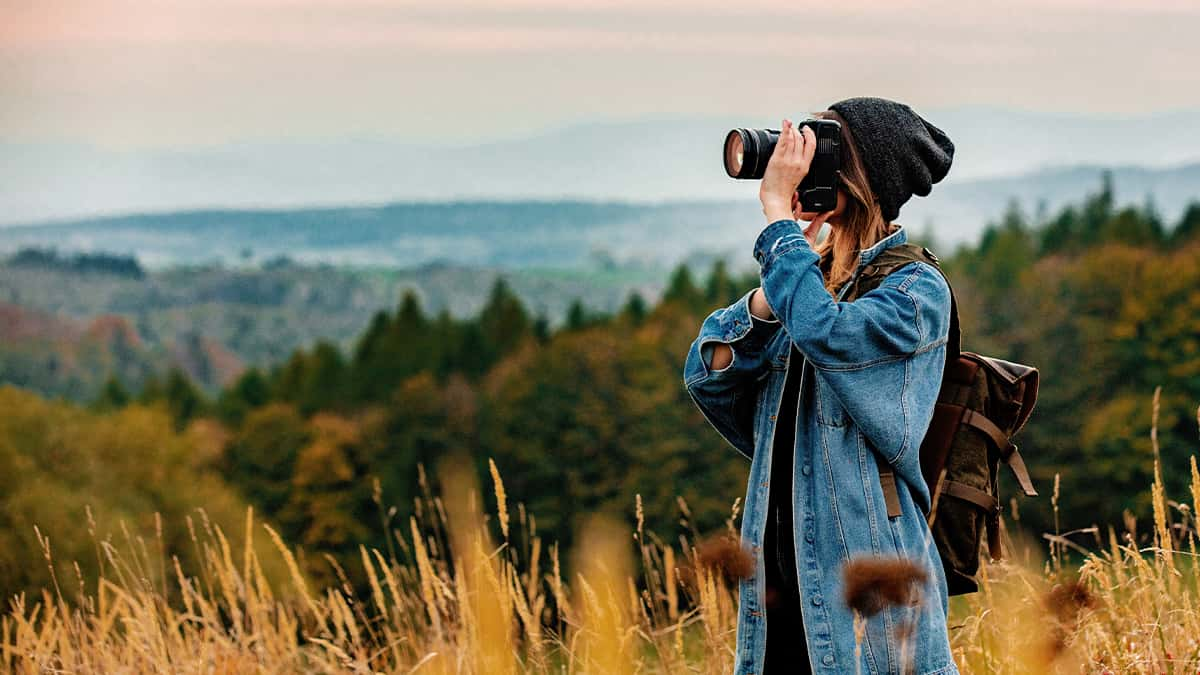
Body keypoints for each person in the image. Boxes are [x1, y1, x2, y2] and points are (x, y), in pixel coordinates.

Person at [683, 97, 959, 674]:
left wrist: (779, 224)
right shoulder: (807, 283)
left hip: (868, 589)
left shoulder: (915, 293)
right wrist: (769, 295)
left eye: (825, 150)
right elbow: (708, 375)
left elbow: (831, 336)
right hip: (781, 592)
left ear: (862, 178)